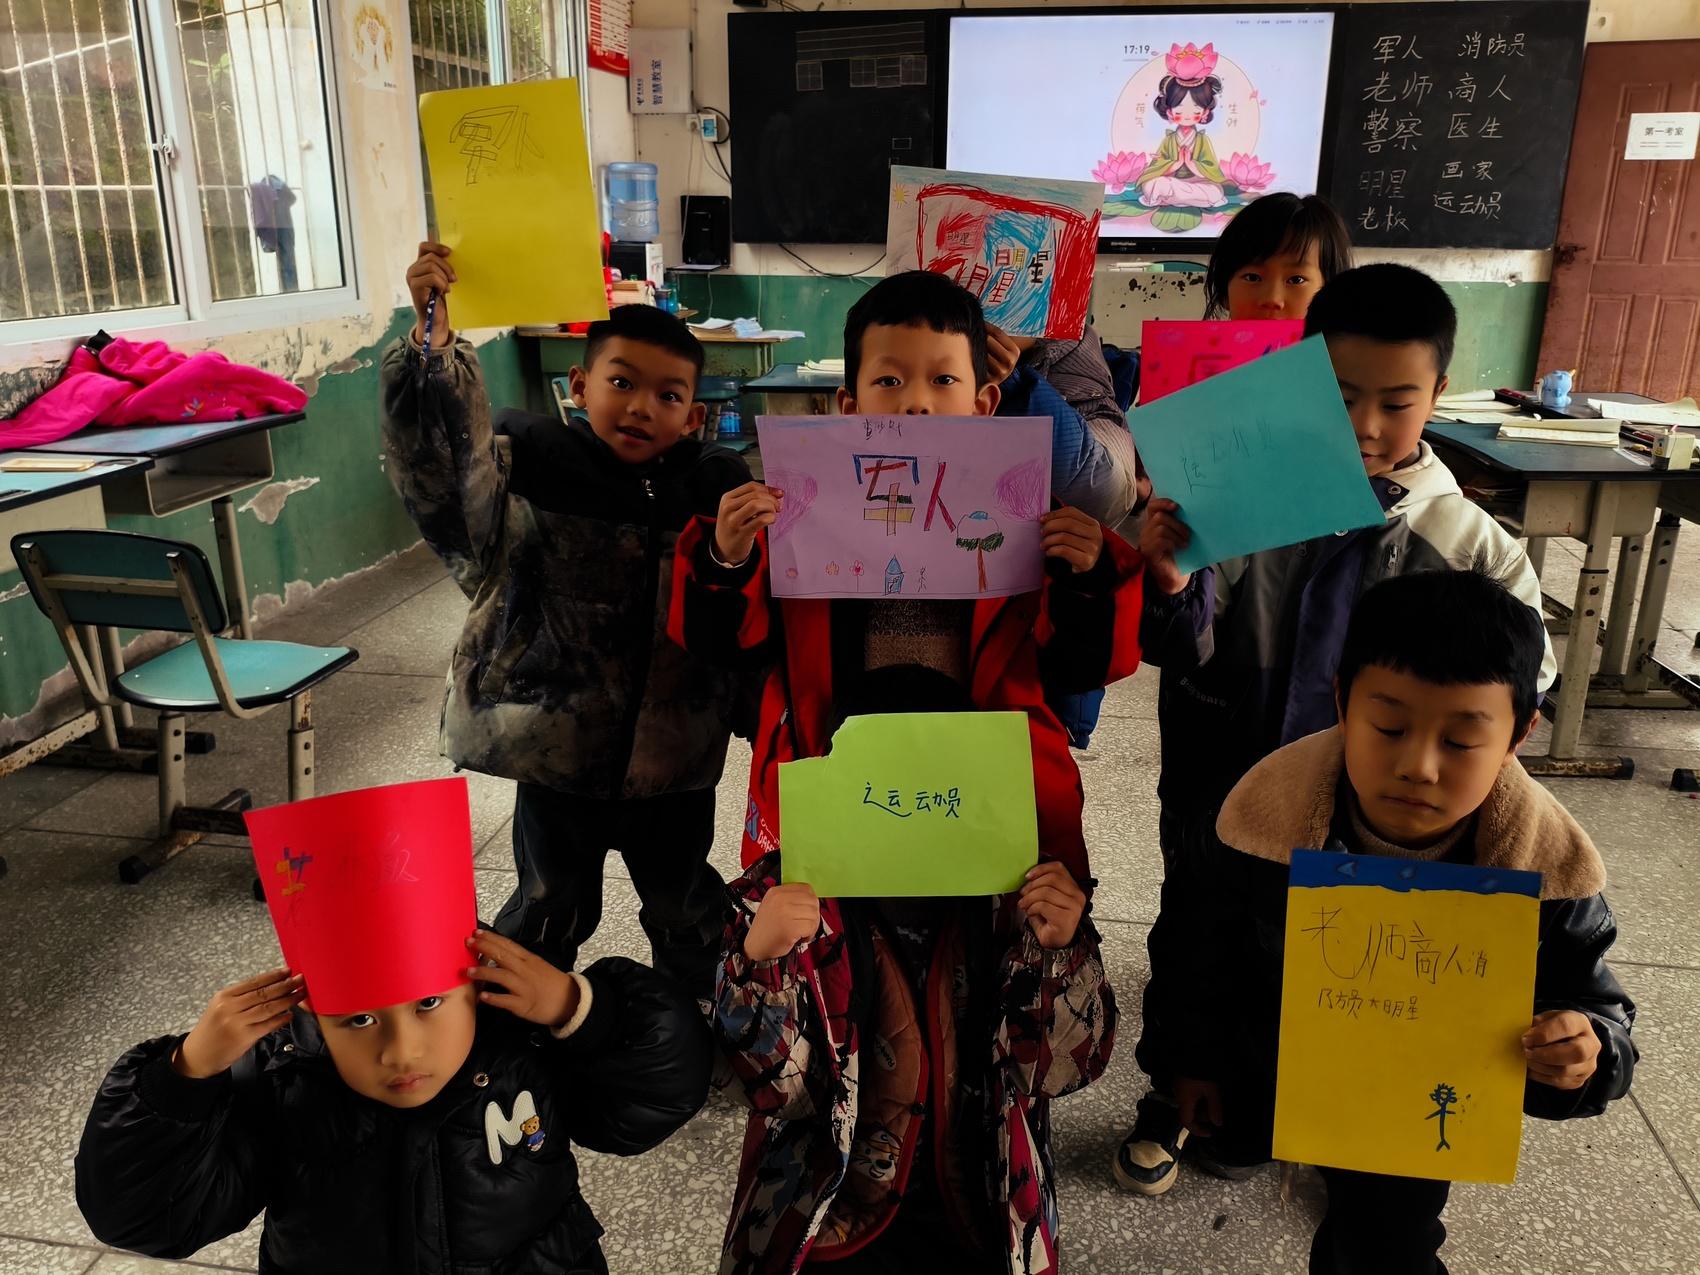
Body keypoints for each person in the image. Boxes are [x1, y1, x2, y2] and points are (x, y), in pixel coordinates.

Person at [670, 270, 1142, 1272]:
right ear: (847, 401)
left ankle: (984, 1196)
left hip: (990, 832)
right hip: (838, 828)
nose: (914, 403)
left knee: (989, 1024)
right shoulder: (800, 517)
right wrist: (726, 557)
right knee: (833, 1017)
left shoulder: (1024, 523)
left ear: (986, 401)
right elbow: (722, 644)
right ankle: (824, 1201)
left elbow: (1079, 667)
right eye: (888, 381)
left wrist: (1089, 576)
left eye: (941, 380)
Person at [1116, 262, 1559, 1196]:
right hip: (1231, 771)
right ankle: (1188, 1087)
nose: (1364, 425)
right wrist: (1170, 579)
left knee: (1342, 956)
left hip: (1382, 817)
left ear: (1440, 391)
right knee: (1205, 927)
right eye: (1341, 395)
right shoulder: (1246, 498)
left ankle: (1328, 1108)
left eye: (1397, 403)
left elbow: (1527, 685)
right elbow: (1184, 640)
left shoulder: (1470, 541)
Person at [1165, 570, 1636, 1273]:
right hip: (1269, 1060)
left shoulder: (1547, 869)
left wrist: (1587, 1050)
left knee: (1385, 1243)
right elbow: (1196, 945)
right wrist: (1192, 1060)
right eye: (1388, 727)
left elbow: (1597, 1003)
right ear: (1342, 703)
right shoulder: (1256, 821)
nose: (1418, 766)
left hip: (1416, 1104)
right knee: (1239, 1131)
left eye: (1462, 740)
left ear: (1520, 733)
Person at [75, 780, 713, 1273]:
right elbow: (150, 1219)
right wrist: (183, 1078)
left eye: (429, 1004)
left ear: (474, 987)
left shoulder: (522, 1045)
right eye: (358, 1019)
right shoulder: (281, 1080)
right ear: (311, 1011)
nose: (402, 1050)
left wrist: (580, 1008)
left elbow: (657, 1098)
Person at [380, 243, 752, 999]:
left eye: (668, 395)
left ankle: (707, 1025)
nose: (641, 406)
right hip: (553, 753)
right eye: (621, 382)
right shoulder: (530, 465)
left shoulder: (715, 489)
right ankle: (514, 1033)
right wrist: (433, 353)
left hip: (675, 758)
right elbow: (442, 476)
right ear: (579, 386)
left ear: (695, 415)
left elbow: (747, 609)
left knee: (687, 906)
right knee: (549, 905)